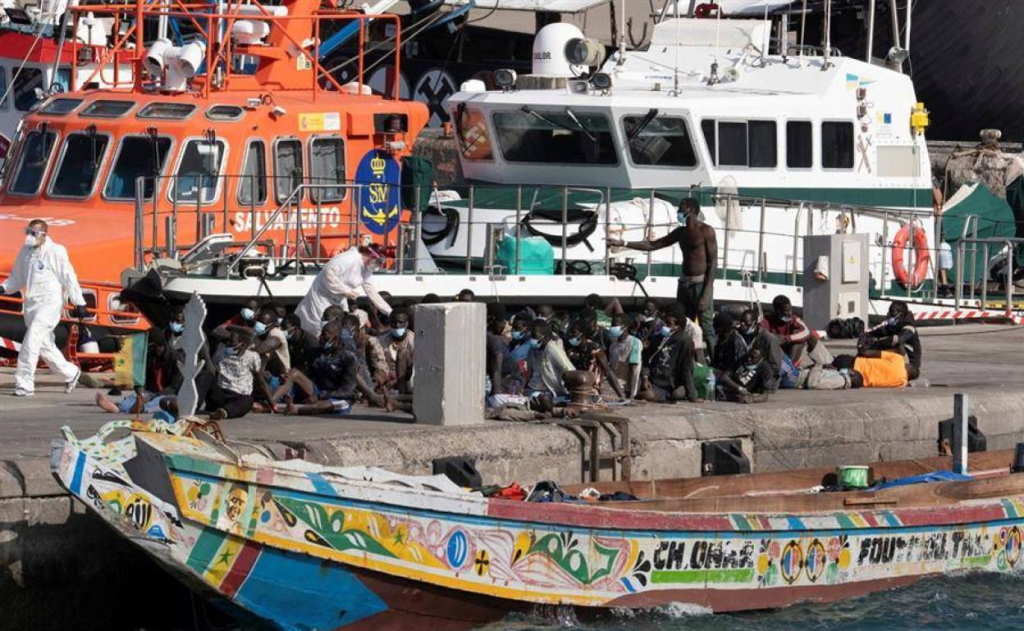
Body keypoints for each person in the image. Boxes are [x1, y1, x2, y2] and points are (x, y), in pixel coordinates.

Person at [606, 198, 717, 357]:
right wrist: (623, 242)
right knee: (682, 323)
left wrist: (706, 292)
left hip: (700, 285)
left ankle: (715, 361)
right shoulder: (681, 232)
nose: (678, 212)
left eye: (681, 208)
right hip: (684, 284)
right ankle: (685, 358)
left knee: (706, 327)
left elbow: (713, 262)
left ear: (691, 210)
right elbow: (653, 245)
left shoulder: (706, 231)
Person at [0, 220, 89, 397]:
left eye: (33, 233)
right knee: (44, 346)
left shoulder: (55, 251)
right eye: (27, 232)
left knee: (32, 340)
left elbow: (68, 277)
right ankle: (71, 373)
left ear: (43, 235)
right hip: (31, 305)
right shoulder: (25, 252)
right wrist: (3, 288)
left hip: (50, 304)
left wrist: (79, 302)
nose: (29, 236)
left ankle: (25, 383)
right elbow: (17, 278)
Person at [295, 244, 392, 336]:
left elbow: (372, 292)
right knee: (319, 327)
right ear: (371, 255)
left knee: (339, 327)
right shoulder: (350, 258)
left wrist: (389, 312)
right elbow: (328, 273)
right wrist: (345, 291)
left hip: (339, 298)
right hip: (322, 296)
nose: (377, 266)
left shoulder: (366, 269)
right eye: (377, 262)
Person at [194, 327, 272, 419]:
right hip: (221, 394)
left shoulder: (252, 357)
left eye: (232, 343)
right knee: (206, 375)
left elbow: (261, 383)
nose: (228, 345)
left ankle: (223, 412)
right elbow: (214, 374)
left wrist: (272, 404)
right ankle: (193, 405)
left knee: (248, 400)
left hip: (238, 397)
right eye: (227, 342)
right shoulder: (220, 354)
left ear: (242, 344)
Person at [760, 295, 831, 373]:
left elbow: (806, 332)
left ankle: (827, 362)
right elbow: (760, 334)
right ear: (777, 312)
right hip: (775, 355)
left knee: (808, 338)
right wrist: (774, 339)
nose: (790, 313)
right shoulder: (766, 321)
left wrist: (786, 338)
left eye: (790, 310)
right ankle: (784, 370)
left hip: (791, 354)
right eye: (786, 311)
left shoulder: (794, 319)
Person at [638, 311, 697, 403]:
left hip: (668, 385)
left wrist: (692, 396)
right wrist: (645, 377)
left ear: (678, 328)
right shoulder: (658, 338)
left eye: (668, 324)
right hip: (651, 379)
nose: (664, 326)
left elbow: (687, 369)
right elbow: (647, 360)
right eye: (664, 323)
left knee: (648, 395)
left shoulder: (685, 341)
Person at [563, 319, 625, 399]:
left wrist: (622, 397)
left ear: (582, 334)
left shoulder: (595, 350)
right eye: (569, 332)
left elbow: (608, 372)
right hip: (575, 389)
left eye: (573, 332)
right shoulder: (573, 349)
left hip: (591, 390)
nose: (570, 335)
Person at [861, 300, 922, 380]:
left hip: (910, 364)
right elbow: (880, 332)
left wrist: (874, 344)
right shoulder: (895, 326)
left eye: (892, 312)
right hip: (899, 358)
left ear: (900, 314)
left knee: (895, 344)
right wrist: (866, 335)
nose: (888, 314)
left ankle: (902, 369)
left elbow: (898, 340)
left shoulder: (909, 328)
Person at [524, 321, 575, 399]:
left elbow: (568, 368)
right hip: (532, 387)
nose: (532, 339)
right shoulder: (532, 350)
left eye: (535, 336)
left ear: (545, 337)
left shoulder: (552, 349)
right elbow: (530, 371)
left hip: (548, 390)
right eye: (531, 336)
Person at [378, 308, 414, 394]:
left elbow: (414, 368)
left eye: (401, 322)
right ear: (390, 323)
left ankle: (401, 393)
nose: (397, 325)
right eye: (394, 322)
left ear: (406, 324)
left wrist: (396, 381)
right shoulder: (381, 340)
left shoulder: (413, 340)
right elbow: (379, 363)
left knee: (402, 353)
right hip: (387, 376)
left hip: (406, 377)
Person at [606, 314, 643, 398]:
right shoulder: (613, 345)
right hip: (614, 383)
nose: (612, 328)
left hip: (625, 385)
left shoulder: (634, 342)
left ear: (624, 327)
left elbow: (635, 370)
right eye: (612, 325)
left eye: (615, 325)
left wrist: (632, 394)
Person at [833, 351, 908, 388]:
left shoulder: (899, 359)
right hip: (855, 381)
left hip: (855, 363)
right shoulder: (902, 383)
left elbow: (868, 353)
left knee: (835, 360)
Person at [253, 308, 290, 377]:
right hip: (264, 370)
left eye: (262, 323)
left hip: (279, 374)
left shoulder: (276, 334)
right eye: (258, 321)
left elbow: (261, 350)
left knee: (268, 354)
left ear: (272, 325)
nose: (258, 324)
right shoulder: (259, 334)